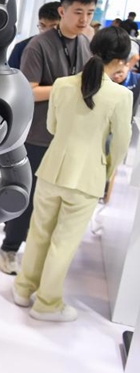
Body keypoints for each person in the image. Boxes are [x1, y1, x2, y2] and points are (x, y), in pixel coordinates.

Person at [13, 26, 133, 322]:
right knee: (63, 243)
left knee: (39, 233)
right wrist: (107, 170)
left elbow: (52, 126)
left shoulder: (63, 85)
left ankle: (23, 288)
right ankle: (47, 304)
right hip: (87, 176)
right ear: (120, 61)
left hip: (52, 167)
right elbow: (119, 144)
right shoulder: (120, 95)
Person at [0, 0, 97, 275]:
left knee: (52, 200)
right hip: (37, 134)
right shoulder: (38, 45)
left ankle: (34, 252)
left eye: (89, 13)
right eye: (78, 12)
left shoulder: (85, 44)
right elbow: (29, 90)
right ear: (63, 11)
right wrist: (70, 86)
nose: (84, 20)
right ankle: (9, 248)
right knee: (25, 196)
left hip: (67, 135)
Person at [7, 2, 60, 69]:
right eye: (42, 26)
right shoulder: (22, 47)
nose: (45, 32)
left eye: (53, 27)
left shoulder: (72, 49)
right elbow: (10, 77)